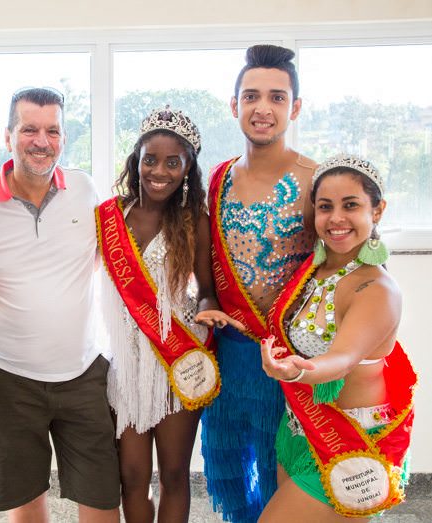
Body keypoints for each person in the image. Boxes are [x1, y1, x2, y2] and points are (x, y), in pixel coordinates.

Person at [0, 87, 120, 522]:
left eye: (53, 130)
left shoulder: (86, 191)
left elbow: (120, 259)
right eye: (29, 128)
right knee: (26, 501)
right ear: (7, 135)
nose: (41, 141)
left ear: (64, 138)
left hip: (83, 372)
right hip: (5, 378)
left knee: (103, 497)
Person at [98, 105, 243, 523]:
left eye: (172, 162)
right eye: (150, 159)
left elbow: (206, 293)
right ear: (136, 161)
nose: (159, 170)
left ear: (187, 169)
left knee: (175, 474)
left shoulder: (194, 221)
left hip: (179, 361)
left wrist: (208, 309)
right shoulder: (110, 217)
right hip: (126, 365)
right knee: (132, 476)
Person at [258, 155, 415, 522]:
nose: (336, 219)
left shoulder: (376, 289)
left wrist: (299, 370)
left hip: (349, 444)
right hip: (299, 428)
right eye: (325, 207)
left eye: (351, 205)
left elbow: (343, 358)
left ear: (377, 211)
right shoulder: (313, 271)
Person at [200, 44, 317, 523]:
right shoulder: (220, 177)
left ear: (295, 107)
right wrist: (207, 296)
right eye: (251, 96)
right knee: (227, 464)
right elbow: (207, 251)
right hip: (229, 351)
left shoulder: (317, 179)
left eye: (275, 96)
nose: (262, 108)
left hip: (289, 358)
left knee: (281, 470)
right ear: (234, 106)